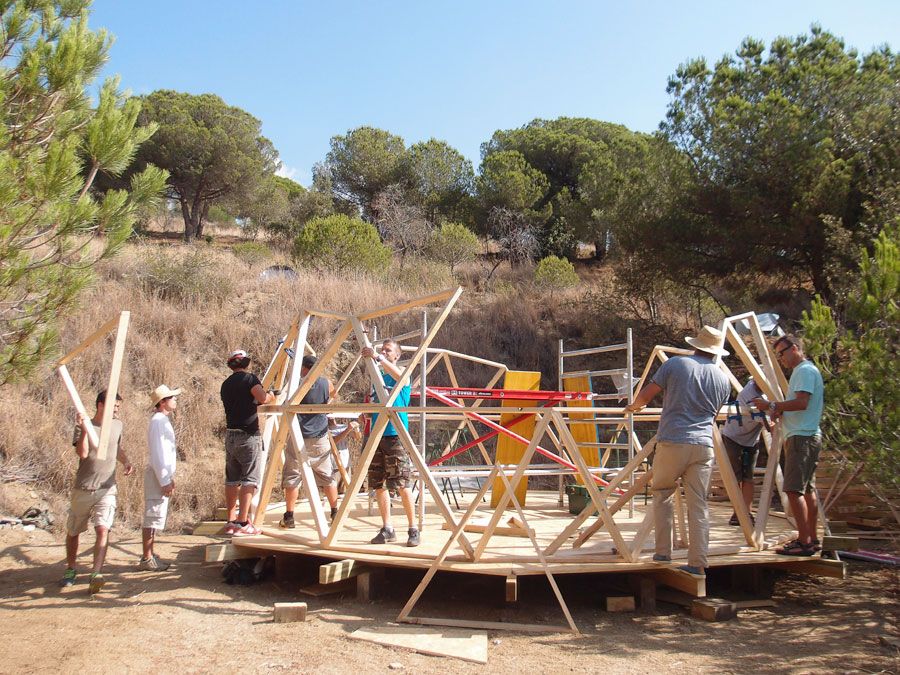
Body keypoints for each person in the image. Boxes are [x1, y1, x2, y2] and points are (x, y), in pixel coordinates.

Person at [624, 325, 731, 576]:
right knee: (698, 504)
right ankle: (698, 563)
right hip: (703, 445)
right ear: (716, 351)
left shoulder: (676, 364)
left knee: (663, 493)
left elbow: (647, 394)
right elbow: (714, 414)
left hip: (673, 439)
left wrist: (634, 407)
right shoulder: (723, 379)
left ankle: (663, 552)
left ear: (696, 345)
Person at [752, 335, 824, 556]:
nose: (781, 358)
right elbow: (800, 404)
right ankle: (812, 538)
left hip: (801, 437)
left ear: (794, 348)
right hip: (806, 435)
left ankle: (804, 542)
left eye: (782, 353)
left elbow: (802, 403)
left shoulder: (804, 371)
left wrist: (772, 405)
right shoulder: (806, 371)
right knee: (807, 490)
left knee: (793, 490)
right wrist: (780, 409)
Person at [60, 391, 133, 594]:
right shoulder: (84, 425)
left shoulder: (117, 425)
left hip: (107, 487)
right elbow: (82, 453)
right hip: (84, 487)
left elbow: (116, 447)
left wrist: (126, 461)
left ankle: (96, 573)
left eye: (118, 407)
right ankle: (71, 568)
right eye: (114, 406)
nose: (117, 410)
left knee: (103, 528)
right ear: (100, 405)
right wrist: (84, 429)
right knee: (74, 531)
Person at [361, 339, 419, 547]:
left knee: (402, 483)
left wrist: (378, 357)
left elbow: (401, 378)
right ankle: (388, 528)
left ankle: (413, 529)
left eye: (388, 350)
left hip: (395, 435)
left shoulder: (401, 373)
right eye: (382, 350)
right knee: (378, 483)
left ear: (397, 355)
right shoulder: (378, 378)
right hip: (377, 434)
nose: (384, 352)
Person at [279, 355, 338, 528]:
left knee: (292, 476)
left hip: (299, 435)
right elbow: (334, 395)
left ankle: (289, 516)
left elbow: (283, 400)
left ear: (304, 367)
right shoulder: (326, 383)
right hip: (320, 436)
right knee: (327, 476)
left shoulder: (296, 384)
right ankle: (335, 512)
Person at [220, 349, 274, 536]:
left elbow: (242, 402)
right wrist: (271, 395)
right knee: (249, 479)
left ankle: (231, 521)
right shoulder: (250, 379)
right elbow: (262, 398)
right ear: (246, 363)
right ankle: (243, 523)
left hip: (231, 434)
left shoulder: (226, 384)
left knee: (232, 480)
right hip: (248, 435)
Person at [142, 384, 180, 571]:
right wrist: (164, 480)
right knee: (152, 516)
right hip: (158, 474)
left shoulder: (161, 420)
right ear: (163, 402)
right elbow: (158, 453)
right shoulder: (158, 421)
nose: (175, 400)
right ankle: (146, 558)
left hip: (162, 473)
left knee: (155, 516)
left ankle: (150, 554)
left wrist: (168, 477)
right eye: (172, 398)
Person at [720, 378, 766, 525]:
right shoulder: (749, 393)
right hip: (733, 438)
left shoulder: (767, 393)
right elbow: (767, 422)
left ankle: (746, 513)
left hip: (751, 440)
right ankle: (738, 513)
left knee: (748, 477)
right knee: (735, 478)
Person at [328, 414, 361, 493]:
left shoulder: (342, 426)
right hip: (333, 466)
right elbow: (334, 441)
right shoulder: (326, 430)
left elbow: (358, 437)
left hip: (346, 464)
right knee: (333, 490)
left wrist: (356, 429)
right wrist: (348, 429)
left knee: (346, 491)